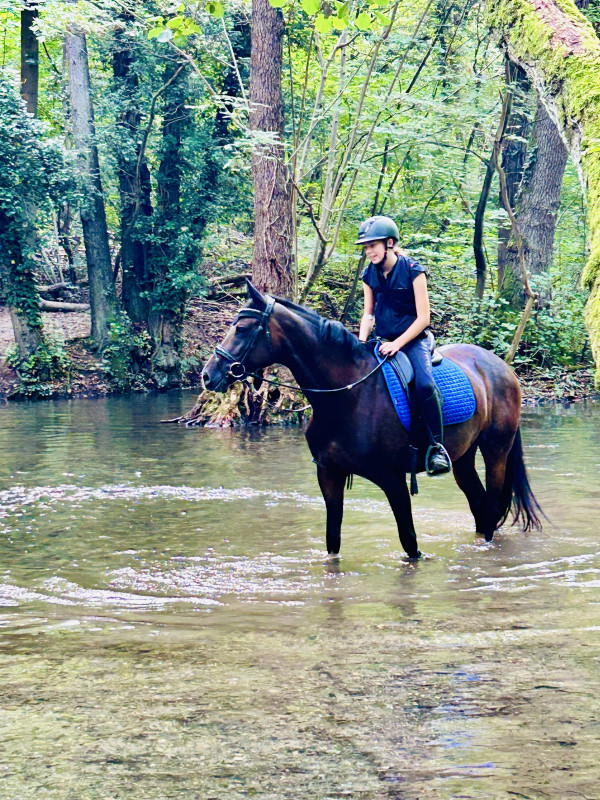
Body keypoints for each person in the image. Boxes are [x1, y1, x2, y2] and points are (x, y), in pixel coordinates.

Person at [356, 215, 451, 476]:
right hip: (382, 341)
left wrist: (398, 344)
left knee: (424, 385)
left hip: (413, 341)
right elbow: (368, 314)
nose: (369, 252)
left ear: (389, 243)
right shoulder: (369, 274)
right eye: (366, 247)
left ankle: (437, 448)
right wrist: (361, 343)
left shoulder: (413, 270)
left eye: (372, 245)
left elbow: (424, 318)